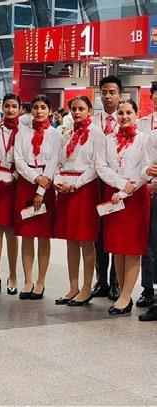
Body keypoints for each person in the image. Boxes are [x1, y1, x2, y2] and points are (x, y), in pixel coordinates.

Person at [95, 99, 149, 315]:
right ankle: (122, 295)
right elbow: (101, 166)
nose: (124, 116)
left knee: (132, 248)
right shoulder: (108, 139)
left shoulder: (144, 139)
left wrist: (127, 189)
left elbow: (145, 168)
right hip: (113, 195)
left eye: (129, 112)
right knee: (117, 246)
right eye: (121, 113)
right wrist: (119, 185)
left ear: (137, 114)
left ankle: (126, 296)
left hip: (135, 196)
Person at [52, 96, 100, 306]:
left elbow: (95, 165)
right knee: (70, 240)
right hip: (65, 189)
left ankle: (87, 288)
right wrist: (57, 180)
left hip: (85, 189)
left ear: (90, 110)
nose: (77, 112)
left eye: (81, 108)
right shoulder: (67, 134)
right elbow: (59, 162)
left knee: (85, 239)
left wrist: (76, 184)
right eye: (74, 109)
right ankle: (73, 286)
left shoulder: (96, 133)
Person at [13, 95, 62, 300]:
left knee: (43, 235)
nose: (39, 111)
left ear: (49, 110)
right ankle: (28, 280)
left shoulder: (55, 135)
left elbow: (53, 162)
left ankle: (41, 281)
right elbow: (18, 160)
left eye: (43, 107)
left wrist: (41, 190)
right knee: (26, 234)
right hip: (26, 183)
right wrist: (34, 178)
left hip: (46, 184)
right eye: (35, 107)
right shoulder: (22, 133)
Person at [0, 94, 21, 296]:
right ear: (2, 108)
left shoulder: (24, 131)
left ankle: (13, 275)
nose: (10, 110)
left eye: (14, 106)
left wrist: (15, 175)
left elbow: (24, 157)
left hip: (15, 182)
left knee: (12, 232)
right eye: (7, 106)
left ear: (19, 109)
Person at [92, 75, 122, 301]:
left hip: (118, 183)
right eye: (104, 92)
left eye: (112, 92)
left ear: (120, 95)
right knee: (98, 233)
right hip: (95, 183)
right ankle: (101, 280)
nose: (108, 96)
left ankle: (116, 282)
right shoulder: (92, 121)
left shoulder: (126, 119)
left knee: (117, 231)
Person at [136, 83, 157, 310]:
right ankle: (147, 289)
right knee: (149, 242)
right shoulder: (143, 125)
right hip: (148, 191)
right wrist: (147, 174)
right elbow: (141, 162)